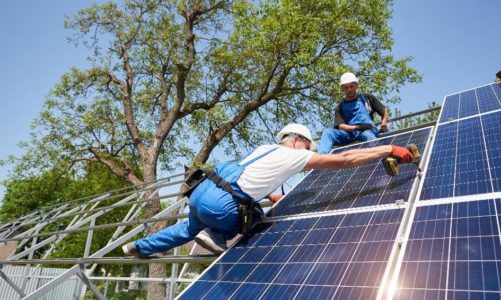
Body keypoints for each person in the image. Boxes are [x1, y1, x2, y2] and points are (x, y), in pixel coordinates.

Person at [122, 124, 414, 256]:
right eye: (309, 145)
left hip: (201, 193)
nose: (309, 151)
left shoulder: (265, 148)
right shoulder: (295, 155)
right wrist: (388, 148)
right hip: (221, 206)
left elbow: (259, 183)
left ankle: (138, 247)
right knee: (257, 221)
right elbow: (344, 160)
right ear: (299, 140)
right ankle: (214, 234)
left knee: (185, 229)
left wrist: (280, 199)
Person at [317, 72, 389, 154]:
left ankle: (380, 155)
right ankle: (322, 158)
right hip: (349, 133)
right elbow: (340, 125)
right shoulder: (340, 106)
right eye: (346, 87)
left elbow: (384, 111)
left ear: (356, 86)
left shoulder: (367, 98)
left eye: (351, 86)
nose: (349, 90)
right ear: (342, 89)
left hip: (367, 130)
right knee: (328, 132)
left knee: (368, 136)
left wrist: (383, 126)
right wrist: (357, 128)